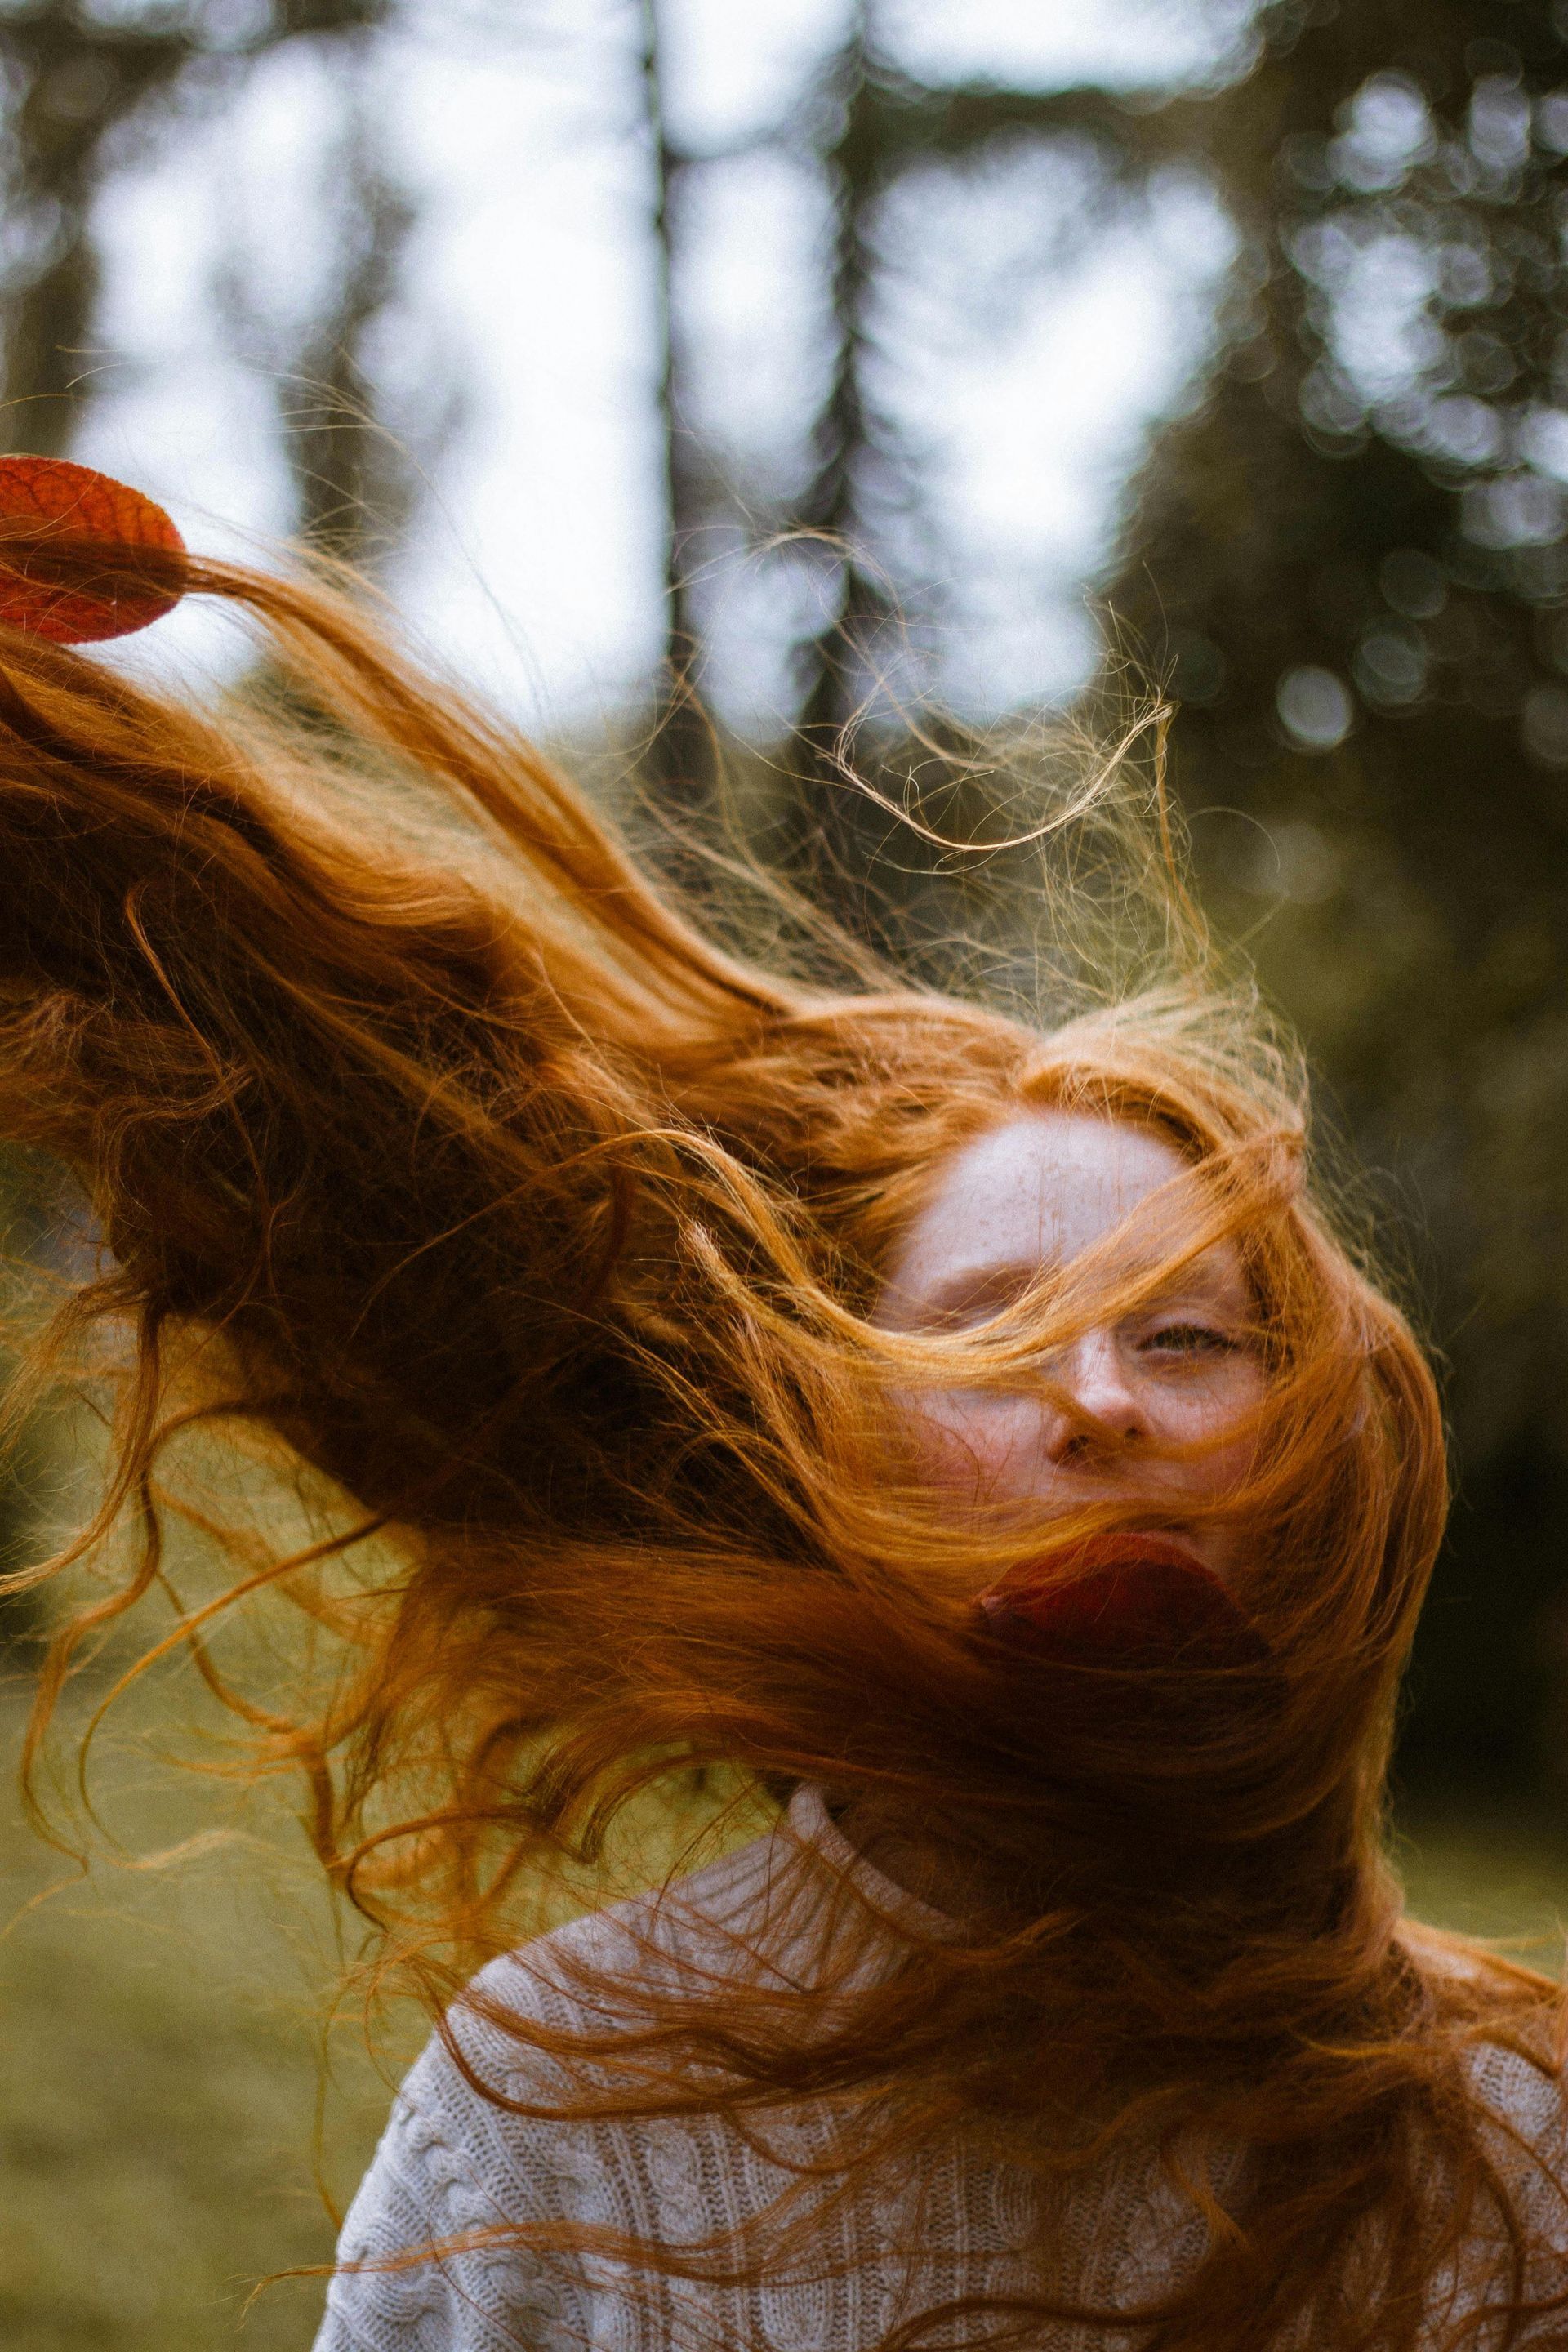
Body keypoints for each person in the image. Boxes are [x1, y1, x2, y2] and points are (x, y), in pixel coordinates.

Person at [0, 497, 1564, 2351]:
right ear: (826, 1457)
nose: (1099, 1402)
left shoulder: (1518, 2134)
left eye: (1194, 1336)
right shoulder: (562, 2100)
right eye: (988, 1337)